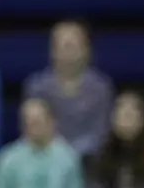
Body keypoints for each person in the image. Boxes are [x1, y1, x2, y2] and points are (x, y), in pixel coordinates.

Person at [21, 21, 114, 158]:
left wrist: (72, 152)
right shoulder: (36, 86)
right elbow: (32, 128)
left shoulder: (100, 87)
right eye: (63, 46)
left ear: (86, 49)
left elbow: (101, 132)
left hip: (91, 158)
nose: (67, 52)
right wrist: (59, 151)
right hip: (47, 155)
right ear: (52, 50)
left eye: (73, 46)